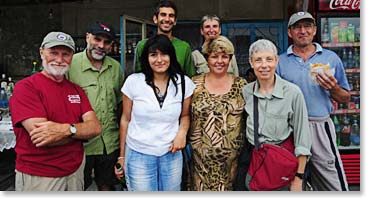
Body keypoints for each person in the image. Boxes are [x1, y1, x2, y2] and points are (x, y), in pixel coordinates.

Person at [9, 32, 101, 191]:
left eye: (65, 54)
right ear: (41, 52)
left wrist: (66, 130)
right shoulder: (26, 87)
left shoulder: (76, 90)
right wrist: (79, 132)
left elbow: (95, 128)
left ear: (72, 56)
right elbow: (43, 137)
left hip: (76, 171)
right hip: (40, 175)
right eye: (53, 53)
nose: (59, 60)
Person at [276, 11, 351, 191]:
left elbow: (345, 99)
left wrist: (333, 87)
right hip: (290, 129)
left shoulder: (330, 58)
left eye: (307, 26)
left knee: (330, 179)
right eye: (297, 27)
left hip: (319, 126)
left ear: (314, 30)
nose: (303, 31)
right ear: (289, 32)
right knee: (291, 181)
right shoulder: (280, 61)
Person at [115, 35, 196, 191]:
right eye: (153, 55)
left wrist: (182, 133)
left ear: (171, 56)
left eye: (164, 54)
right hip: (139, 154)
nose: (159, 60)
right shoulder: (133, 82)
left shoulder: (184, 82)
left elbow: (185, 116)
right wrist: (122, 156)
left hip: (171, 154)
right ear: (146, 58)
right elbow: (125, 119)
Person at [237, 39, 311, 191]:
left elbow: (303, 138)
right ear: (251, 63)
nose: (264, 65)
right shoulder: (246, 92)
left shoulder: (292, 92)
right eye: (258, 60)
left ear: (277, 61)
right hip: (255, 161)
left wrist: (298, 178)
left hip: (281, 164)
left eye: (269, 59)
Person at [67, 22, 124, 191]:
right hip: (80, 143)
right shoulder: (71, 64)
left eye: (106, 42)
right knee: (77, 187)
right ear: (87, 37)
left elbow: (120, 103)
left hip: (109, 142)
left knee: (107, 186)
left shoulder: (115, 67)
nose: (101, 45)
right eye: (97, 39)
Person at [189, 36, 247, 191]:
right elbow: (183, 115)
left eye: (224, 57)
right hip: (200, 165)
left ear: (230, 59)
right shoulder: (194, 84)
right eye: (214, 56)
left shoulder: (241, 85)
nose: (219, 61)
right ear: (207, 58)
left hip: (232, 165)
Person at [134, 0, 195, 77]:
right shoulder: (143, 45)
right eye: (163, 15)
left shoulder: (184, 47)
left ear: (175, 21)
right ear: (155, 19)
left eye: (171, 16)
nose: (167, 19)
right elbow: (138, 77)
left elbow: (190, 77)